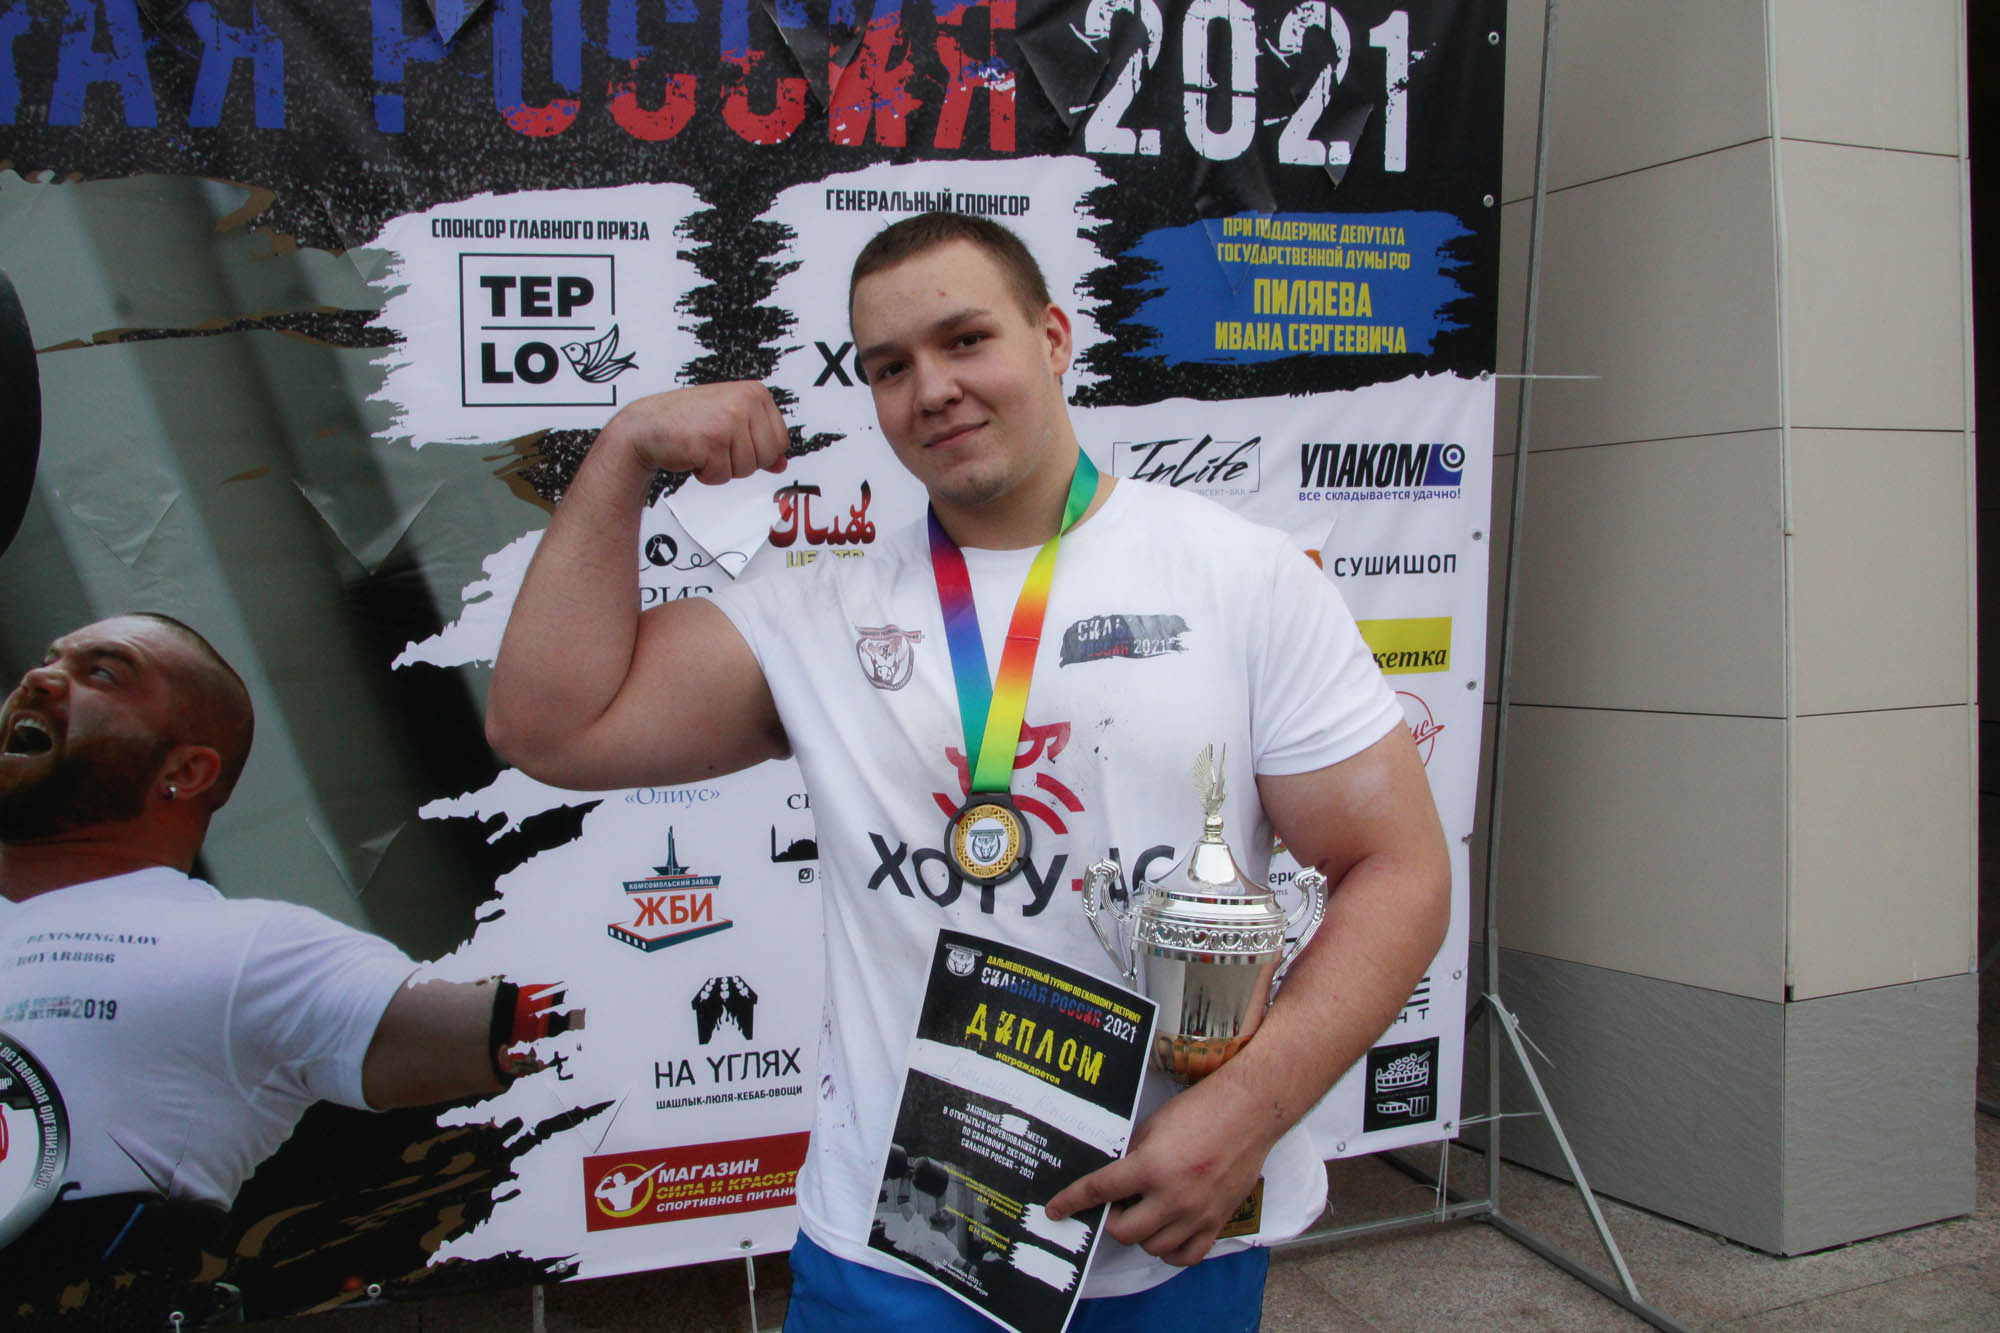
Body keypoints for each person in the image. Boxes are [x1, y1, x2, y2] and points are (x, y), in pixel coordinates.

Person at [487, 213, 1450, 1330]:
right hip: (899, 1249)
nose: (931, 389)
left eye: (964, 340)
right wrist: (620, 454)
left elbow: (1398, 868)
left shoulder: (1243, 578)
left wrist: (1249, 1111)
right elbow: (546, 727)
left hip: (1165, 1232)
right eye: (889, 367)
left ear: (1053, 337)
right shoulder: (819, 613)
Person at [0, 613, 563, 1315]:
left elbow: (528, 1025)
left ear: (185, 770)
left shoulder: (250, 950)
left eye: (103, 673)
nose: (38, 678)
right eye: (49, 658)